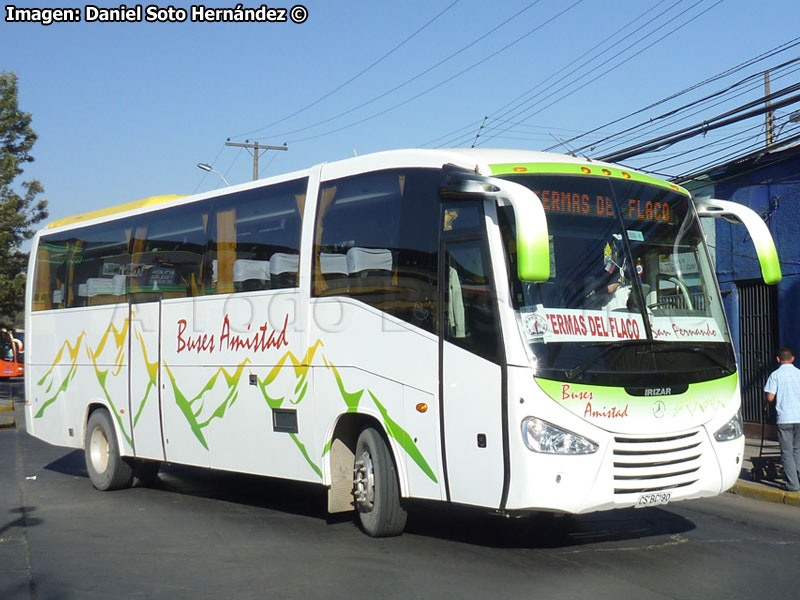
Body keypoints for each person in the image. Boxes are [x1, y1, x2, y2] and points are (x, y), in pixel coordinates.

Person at [764, 347, 800, 492]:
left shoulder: (775, 375)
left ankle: (793, 484)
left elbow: (770, 397)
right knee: (798, 449)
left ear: (778, 360)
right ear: (792, 359)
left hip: (785, 418)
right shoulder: (799, 373)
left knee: (787, 452)